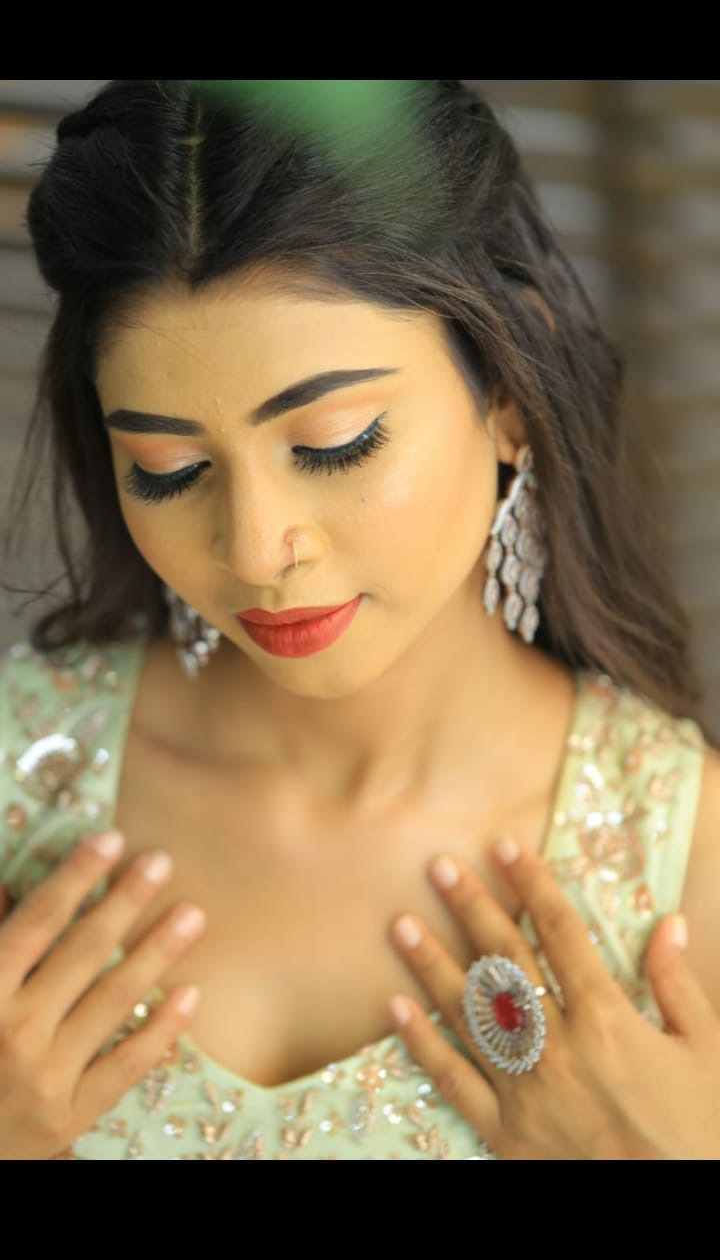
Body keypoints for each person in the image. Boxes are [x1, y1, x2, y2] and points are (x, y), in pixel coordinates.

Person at [0, 78, 719, 1161]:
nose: (255, 548)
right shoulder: (17, 771)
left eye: (334, 444)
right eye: (170, 468)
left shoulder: (688, 860)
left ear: (507, 394)